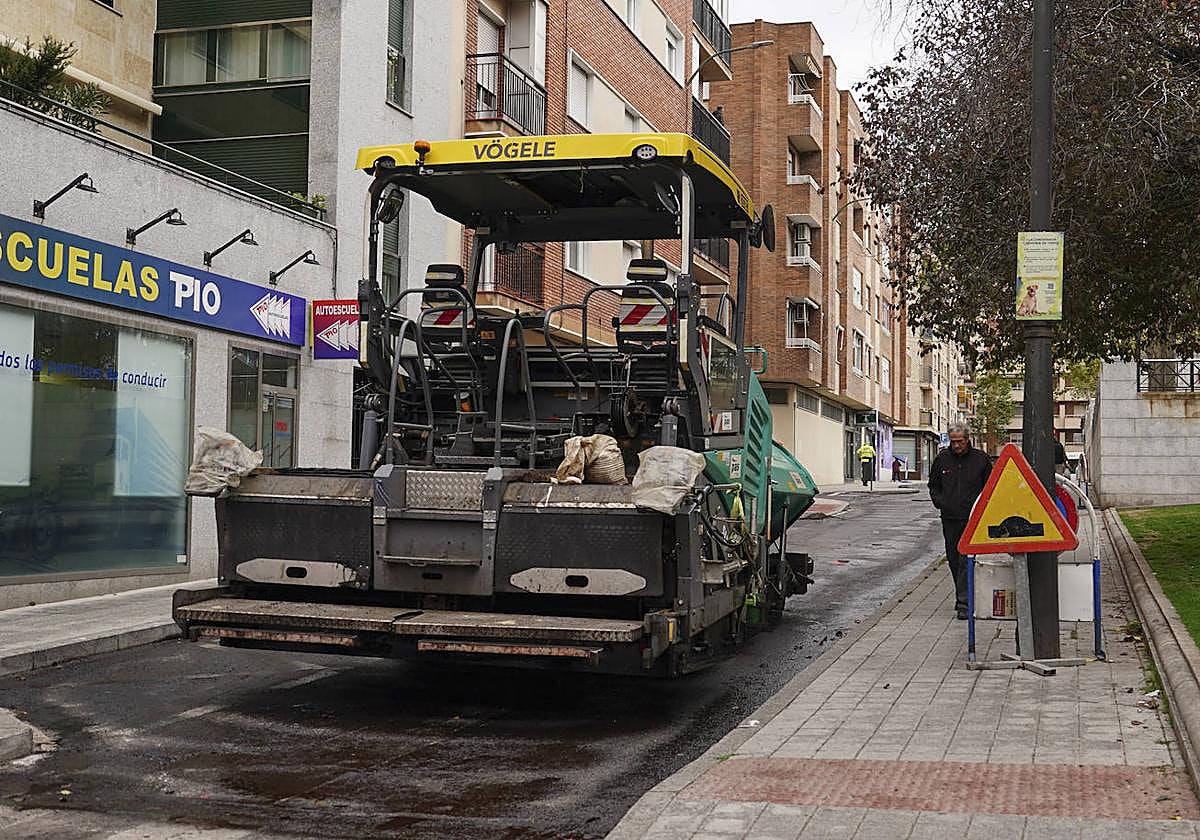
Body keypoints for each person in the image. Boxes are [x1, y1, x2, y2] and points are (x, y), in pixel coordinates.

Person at [928, 423, 992, 620]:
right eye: (953, 442)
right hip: (950, 518)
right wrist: (941, 503)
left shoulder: (980, 459)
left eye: (960, 442)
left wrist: (982, 509)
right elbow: (933, 485)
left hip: (972, 519)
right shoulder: (942, 460)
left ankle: (964, 602)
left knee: (966, 559)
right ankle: (962, 595)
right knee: (954, 559)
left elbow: (989, 487)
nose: (956, 446)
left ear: (967, 439)